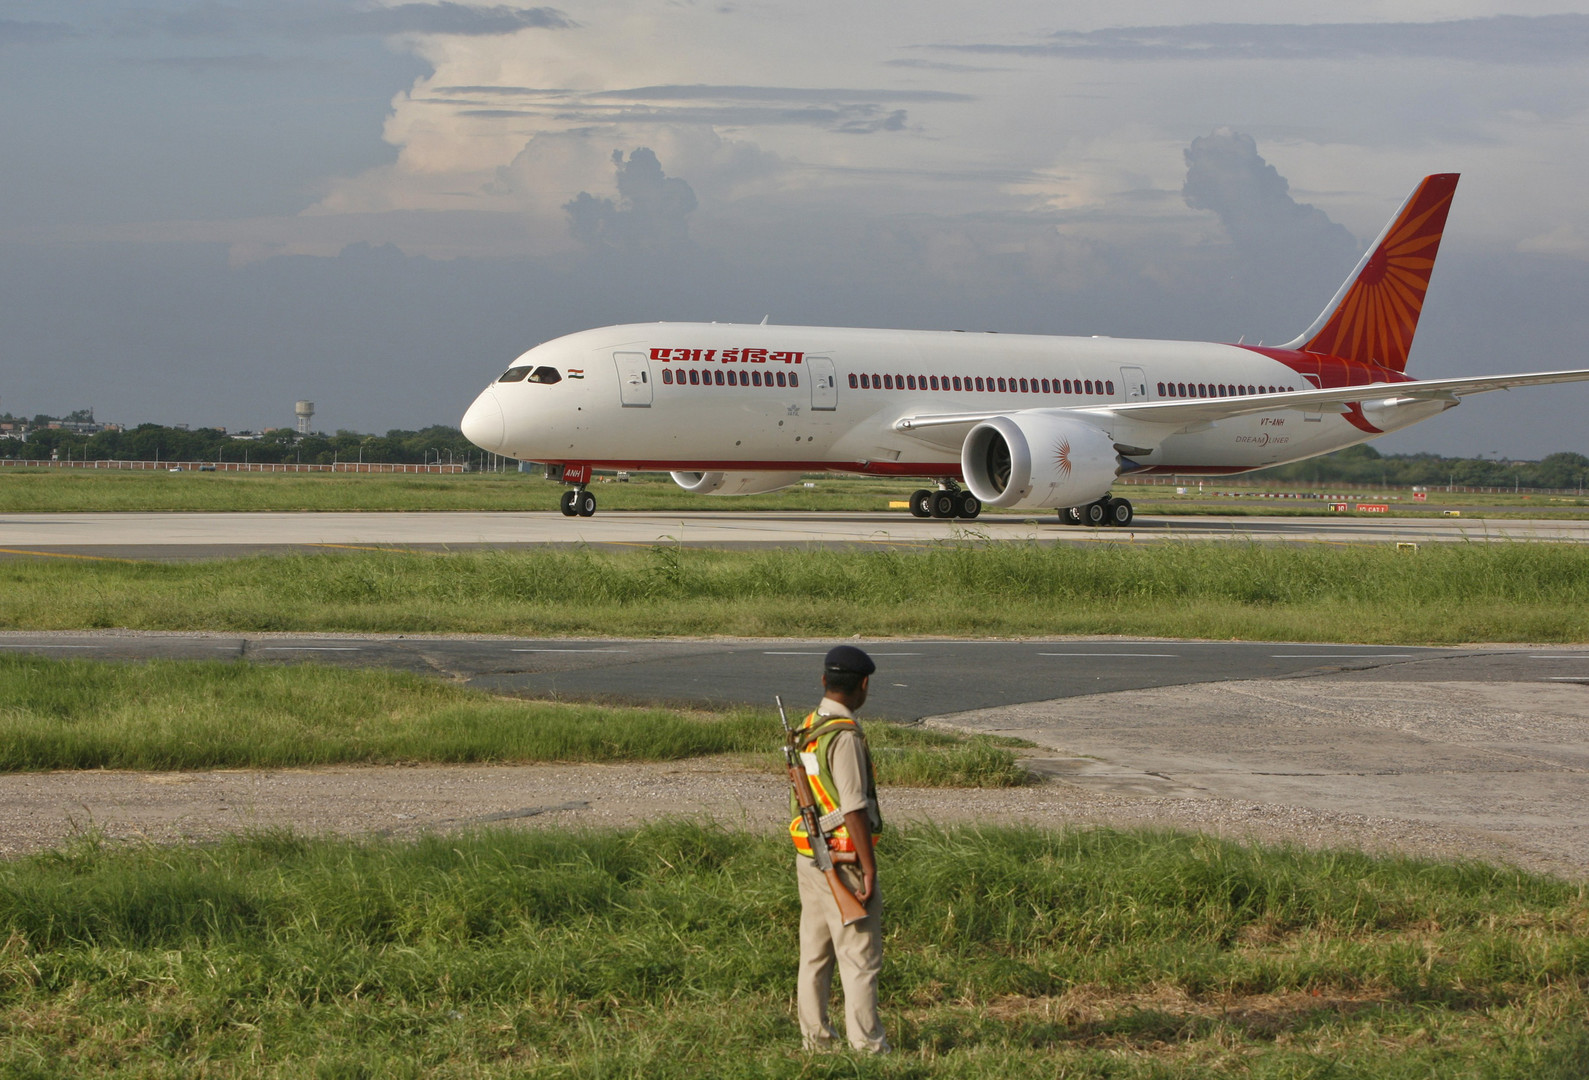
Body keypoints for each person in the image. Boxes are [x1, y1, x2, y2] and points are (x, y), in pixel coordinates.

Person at [789, 644, 888, 1054]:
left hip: (811, 857)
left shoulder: (807, 728)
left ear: (824, 682)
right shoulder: (843, 737)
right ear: (863, 685)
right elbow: (853, 807)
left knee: (814, 955)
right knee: (859, 958)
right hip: (844, 860)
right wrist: (869, 867)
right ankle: (868, 1048)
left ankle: (816, 1041)